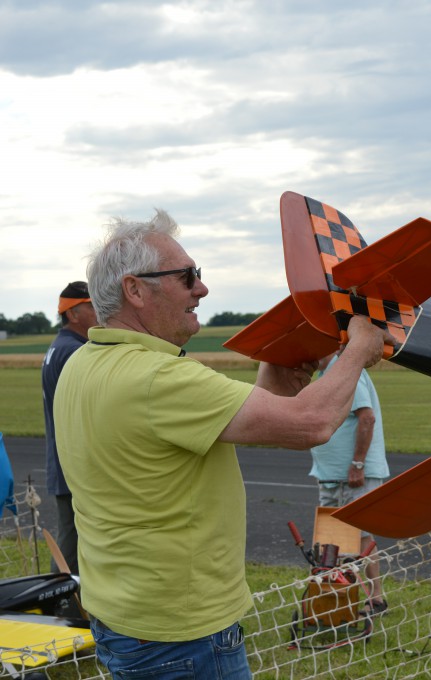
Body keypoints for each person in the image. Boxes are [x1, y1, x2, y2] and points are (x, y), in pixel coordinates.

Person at [54, 209, 390, 679]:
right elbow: (311, 423)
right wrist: (358, 348)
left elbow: (197, 425)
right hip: (183, 632)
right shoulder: (159, 379)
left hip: (123, 615)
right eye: (187, 277)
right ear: (135, 289)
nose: (202, 289)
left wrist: (273, 380)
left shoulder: (85, 363)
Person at [309, 356, 390, 615]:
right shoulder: (330, 374)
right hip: (332, 475)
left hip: (353, 474)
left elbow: (366, 417)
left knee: (361, 536)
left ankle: (375, 598)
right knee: (331, 538)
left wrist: (358, 464)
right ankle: (338, 597)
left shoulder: (344, 371)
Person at [41, 281, 97, 575]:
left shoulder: (60, 347)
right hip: (73, 466)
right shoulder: (74, 352)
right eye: (92, 306)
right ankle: (61, 608)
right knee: (73, 548)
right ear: (72, 314)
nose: (99, 310)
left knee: (72, 541)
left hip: (64, 464)